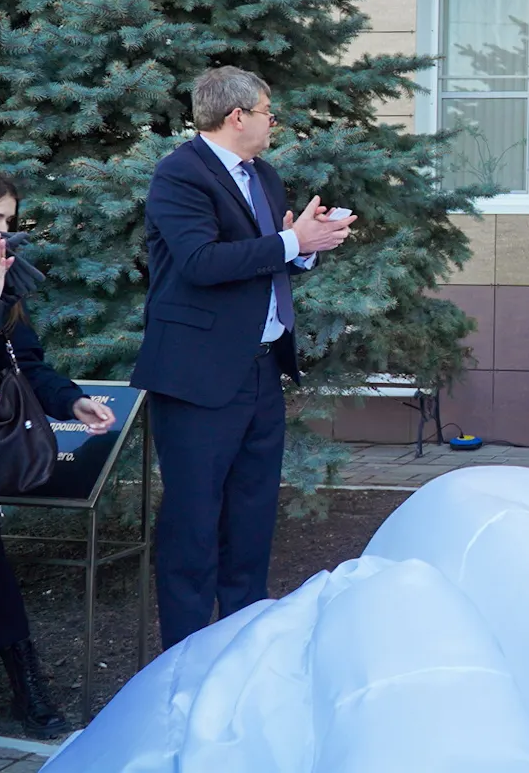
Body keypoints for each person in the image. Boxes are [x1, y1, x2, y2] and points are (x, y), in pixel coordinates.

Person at [130, 67, 357, 650]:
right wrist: (291, 243)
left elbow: (262, 263)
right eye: (266, 111)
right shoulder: (180, 174)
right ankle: (181, 662)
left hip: (260, 370)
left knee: (251, 522)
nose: (272, 121)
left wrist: (307, 246)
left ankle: (242, 651)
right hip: (198, 377)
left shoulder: (265, 174)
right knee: (194, 526)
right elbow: (202, 263)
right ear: (237, 117)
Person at [0, 173, 116, 736]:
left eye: (6, 223)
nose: (1, 235)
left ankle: (28, 690)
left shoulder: (6, 285)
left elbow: (29, 366)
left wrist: (75, 401)